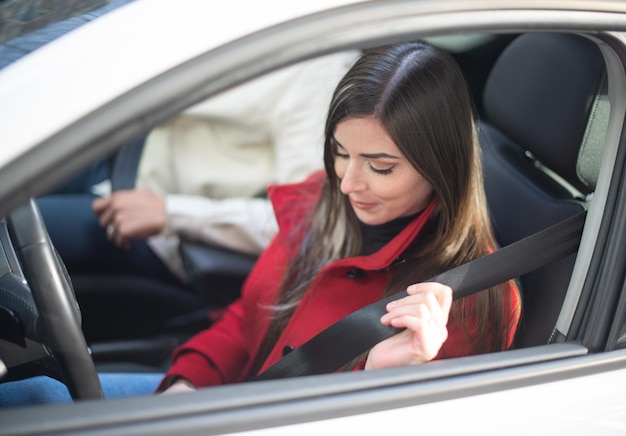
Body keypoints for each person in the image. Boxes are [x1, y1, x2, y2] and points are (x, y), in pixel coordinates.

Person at [0, 41, 521, 405]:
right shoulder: (323, 204)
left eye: (380, 167)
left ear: (441, 164)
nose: (346, 182)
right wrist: (187, 386)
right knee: (32, 397)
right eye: (340, 153)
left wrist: (380, 377)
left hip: (272, 419)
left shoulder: (469, 298)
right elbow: (245, 319)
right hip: (222, 401)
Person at [38, 50, 360, 287]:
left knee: (14, 231)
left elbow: (301, 222)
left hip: (153, 217)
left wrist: (169, 212)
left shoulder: (321, 75)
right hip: (118, 146)